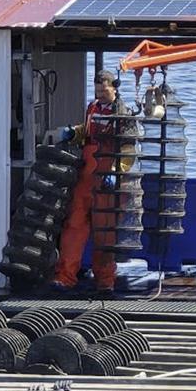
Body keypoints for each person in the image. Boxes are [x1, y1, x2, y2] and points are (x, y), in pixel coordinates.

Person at [52, 70, 124, 293]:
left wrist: (117, 170)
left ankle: (105, 281)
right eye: (98, 90)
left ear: (114, 88)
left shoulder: (122, 112)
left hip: (106, 179)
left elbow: (129, 146)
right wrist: (73, 133)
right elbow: (87, 131)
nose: (101, 94)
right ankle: (65, 277)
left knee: (105, 231)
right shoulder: (92, 108)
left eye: (105, 90)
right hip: (85, 176)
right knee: (74, 226)